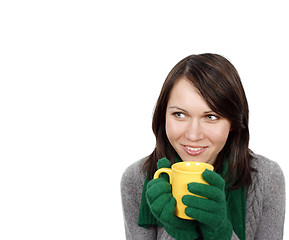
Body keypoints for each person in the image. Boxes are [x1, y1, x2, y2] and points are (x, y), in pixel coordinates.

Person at [121, 53, 285, 240]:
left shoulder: (266, 178)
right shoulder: (136, 179)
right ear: (163, 115)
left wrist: (221, 233)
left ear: (232, 122)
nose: (193, 135)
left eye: (211, 117)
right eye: (180, 115)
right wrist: (180, 233)